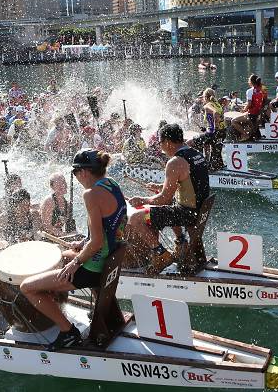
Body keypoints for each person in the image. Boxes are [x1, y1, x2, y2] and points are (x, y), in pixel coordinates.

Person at [20, 149, 126, 350]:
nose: (76, 179)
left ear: (84, 172)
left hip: (94, 268)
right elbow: (111, 228)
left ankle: (67, 332)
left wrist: (76, 263)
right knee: (61, 257)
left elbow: (96, 244)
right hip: (109, 258)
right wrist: (83, 243)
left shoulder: (91, 194)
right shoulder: (112, 184)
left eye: (75, 174)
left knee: (27, 287)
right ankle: (57, 296)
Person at [127, 124, 210, 274]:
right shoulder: (196, 154)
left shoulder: (175, 162)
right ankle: (181, 242)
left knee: (135, 218)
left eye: (160, 143)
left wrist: (142, 200)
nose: (160, 147)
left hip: (187, 213)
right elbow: (189, 182)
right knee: (170, 203)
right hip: (198, 209)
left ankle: (161, 255)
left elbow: (163, 199)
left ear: (167, 142)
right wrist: (162, 186)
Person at [40, 173, 76, 237]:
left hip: (59, 237)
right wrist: (61, 234)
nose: (63, 185)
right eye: (58, 184)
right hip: (46, 238)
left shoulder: (67, 205)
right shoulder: (49, 201)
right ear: (52, 187)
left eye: (63, 182)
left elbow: (69, 226)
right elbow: (46, 226)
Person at [231, 75, 265, 141]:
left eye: (249, 80)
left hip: (251, 114)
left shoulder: (249, 91)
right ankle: (252, 134)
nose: (248, 82)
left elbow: (249, 104)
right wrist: (245, 107)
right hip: (258, 113)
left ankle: (245, 134)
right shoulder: (260, 90)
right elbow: (255, 103)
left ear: (251, 82)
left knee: (233, 121)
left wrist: (244, 110)